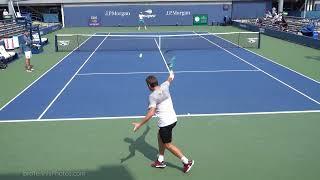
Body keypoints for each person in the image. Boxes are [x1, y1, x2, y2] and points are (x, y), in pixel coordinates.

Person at [132, 72, 194, 173]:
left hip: (166, 123)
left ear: (149, 85)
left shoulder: (152, 96)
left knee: (168, 145)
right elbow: (170, 79)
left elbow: (151, 113)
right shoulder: (164, 86)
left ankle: (186, 162)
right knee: (159, 135)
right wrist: (171, 74)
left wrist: (139, 124)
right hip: (173, 119)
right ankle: (160, 160)